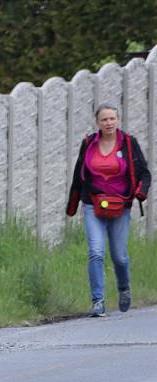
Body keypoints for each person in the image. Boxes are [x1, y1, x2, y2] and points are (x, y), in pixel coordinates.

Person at [66, 104, 150, 317]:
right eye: (104, 120)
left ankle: (123, 287)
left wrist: (141, 192)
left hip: (120, 206)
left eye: (112, 118)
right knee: (96, 252)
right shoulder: (89, 144)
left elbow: (144, 173)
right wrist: (73, 203)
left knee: (119, 256)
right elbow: (79, 174)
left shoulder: (129, 143)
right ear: (98, 123)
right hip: (92, 204)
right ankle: (98, 301)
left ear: (118, 120)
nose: (109, 123)